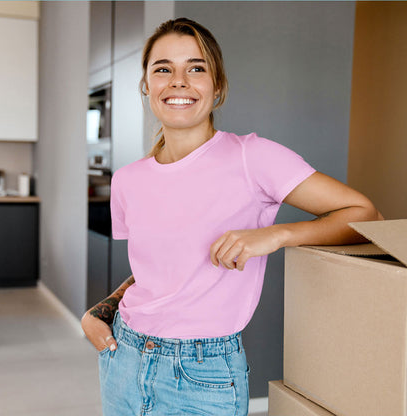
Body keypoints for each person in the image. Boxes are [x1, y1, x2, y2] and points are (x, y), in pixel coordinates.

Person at [81, 18, 383, 416]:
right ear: (147, 86)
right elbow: (159, 273)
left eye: (196, 67)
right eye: (163, 69)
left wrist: (275, 235)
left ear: (217, 86)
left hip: (203, 374)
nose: (178, 81)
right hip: (124, 358)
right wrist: (100, 311)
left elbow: (367, 215)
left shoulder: (252, 158)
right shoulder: (127, 180)